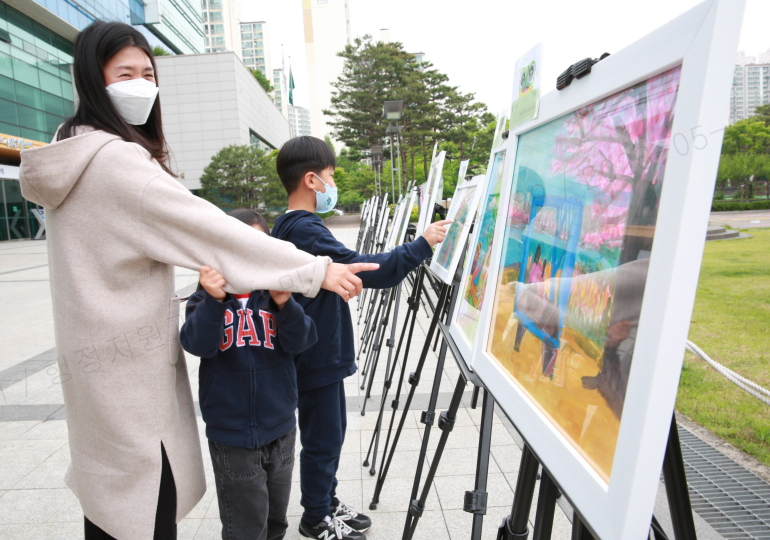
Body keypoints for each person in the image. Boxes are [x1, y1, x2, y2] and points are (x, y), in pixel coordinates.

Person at [18, 21, 376, 540]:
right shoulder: (115, 162)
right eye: (124, 74)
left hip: (96, 373)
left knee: (110, 508)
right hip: (130, 380)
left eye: (148, 72)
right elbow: (215, 234)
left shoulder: (69, 151)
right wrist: (316, 269)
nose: (141, 84)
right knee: (145, 506)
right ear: (92, 81)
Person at [271, 136, 451, 540]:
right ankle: (316, 516)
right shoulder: (303, 228)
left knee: (328, 433)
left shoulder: (295, 225)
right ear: (313, 180)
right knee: (324, 438)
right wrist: (421, 245)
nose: (333, 184)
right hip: (316, 355)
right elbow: (367, 270)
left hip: (315, 349)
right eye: (331, 176)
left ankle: (326, 501)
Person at [181, 209, 313, 540]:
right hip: (233, 438)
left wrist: (286, 306)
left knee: (275, 521)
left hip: (281, 428)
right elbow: (197, 344)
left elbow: (303, 341)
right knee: (245, 526)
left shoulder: (277, 295)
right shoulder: (204, 299)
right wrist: (214, 301)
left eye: (256, 245)